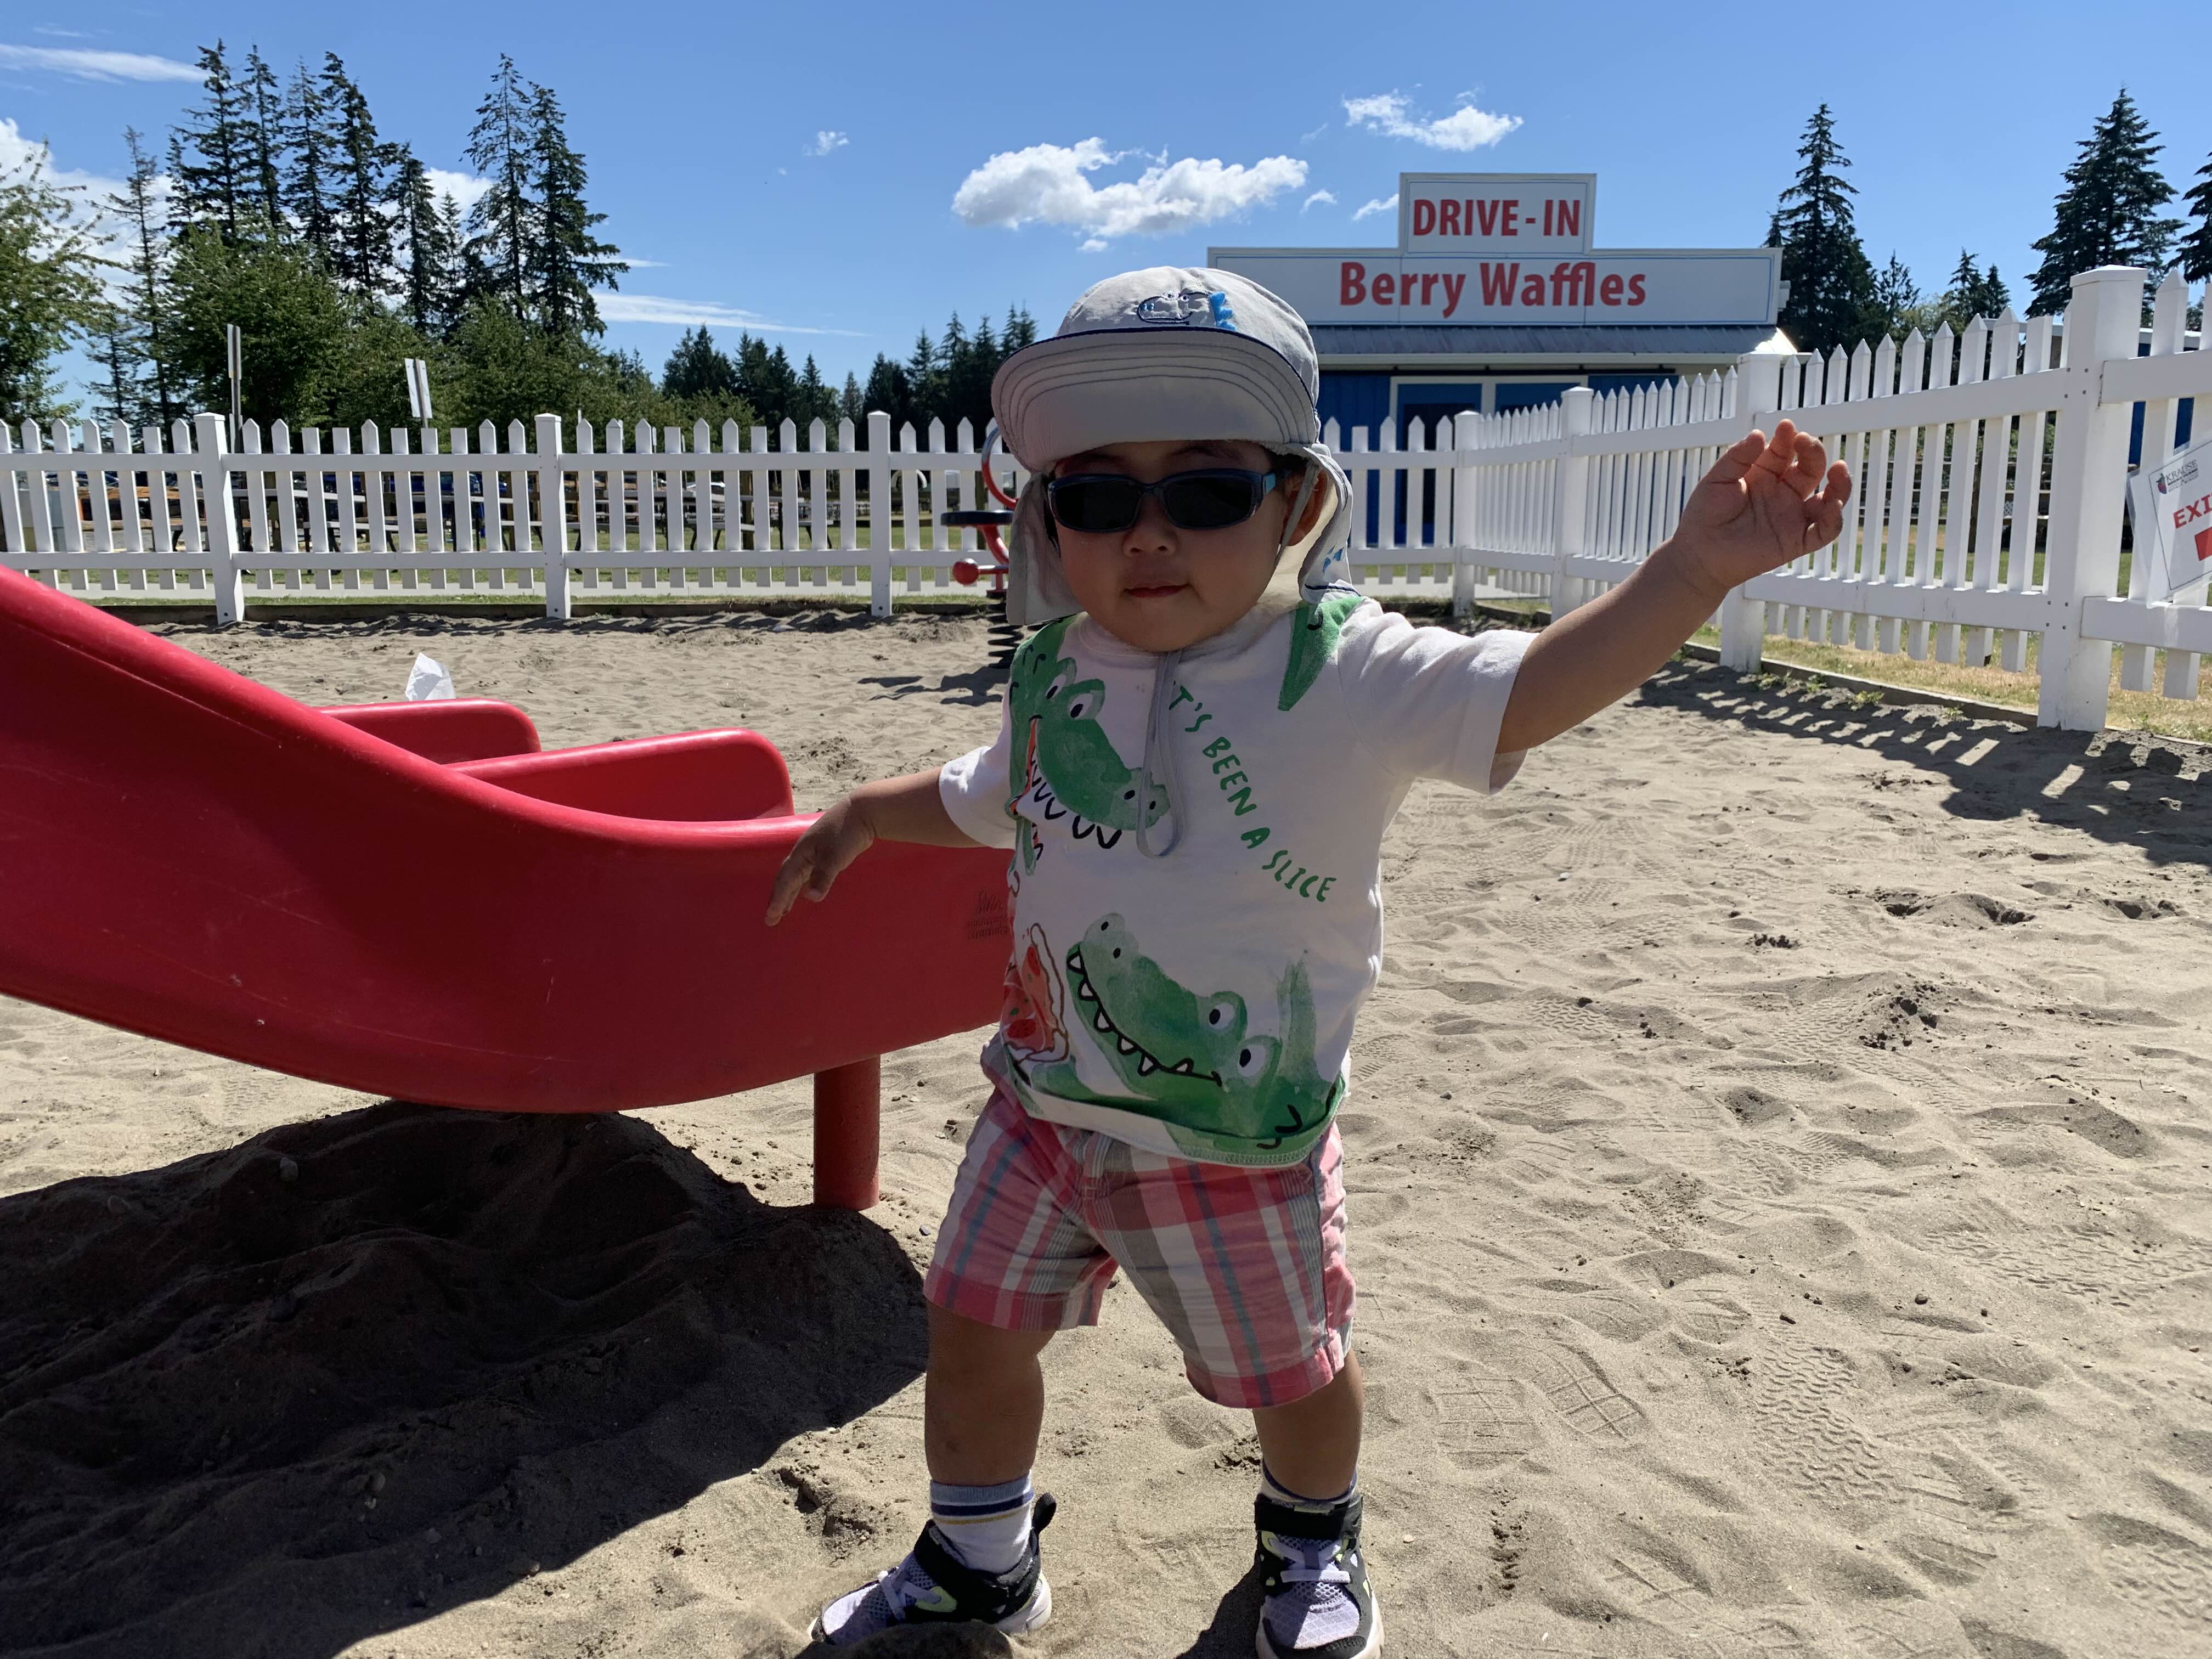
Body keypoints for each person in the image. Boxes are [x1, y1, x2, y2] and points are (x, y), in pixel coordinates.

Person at [766, 267, 1848, 1657]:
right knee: (971, 1327)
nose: (1149, 532)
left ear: (1297, 506)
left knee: (1292, 1373)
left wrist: (1691, 574)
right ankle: (982, 1556)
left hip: (1238, 1139)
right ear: (1045, 524)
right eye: (1096, 497)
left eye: (1208, 490)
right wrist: (867, 812)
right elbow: (989, 793)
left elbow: (1529, 688)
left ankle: (1312, 1537)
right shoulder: (1055, 671)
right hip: (1041, 1106)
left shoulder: (1344, 669)